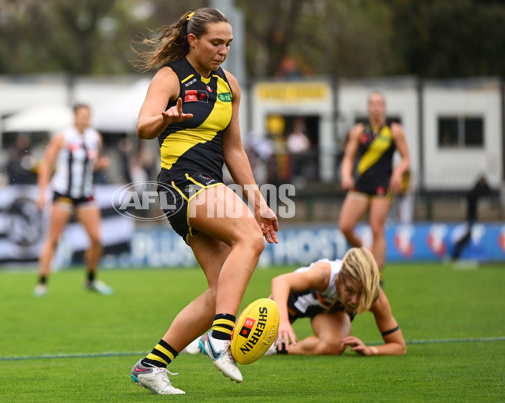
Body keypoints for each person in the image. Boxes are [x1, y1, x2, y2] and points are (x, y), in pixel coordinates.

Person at [129, 8, 279, 395]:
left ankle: (152, 365)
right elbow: (143, 126)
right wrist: (165, 118)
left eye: (228, 44)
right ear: (193, 40)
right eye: (216, 43)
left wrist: (259, 201)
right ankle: (221, 337)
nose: (223, 50)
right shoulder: (170, 77)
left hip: (205, 185)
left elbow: (235, 151)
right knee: (251, 239)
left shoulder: (230, 85)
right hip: (183, 184)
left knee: (220, 289)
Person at [33, 104, 113, 297]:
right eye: (81, 116)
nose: (84, 119)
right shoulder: (63, 137)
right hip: (63, 193)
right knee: (53, 238)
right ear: (74, 117)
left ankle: (91, 279)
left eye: (87, 116)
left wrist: (101, 164)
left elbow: (90, 164)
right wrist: (42, 193)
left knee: (96, 239)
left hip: (85, 193)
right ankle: (42, 282)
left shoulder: (95, 138)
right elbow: (46, 165)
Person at [267, 247, 406, 356]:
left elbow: (399, 346)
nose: (355, 301)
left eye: (361, 293)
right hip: (293, 298)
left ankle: (279, 349)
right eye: (349, 291)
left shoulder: (373, 296)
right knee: (250, 337)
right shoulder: (323, 274)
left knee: (335, 345)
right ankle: (270, 341)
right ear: (339, 280)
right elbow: (280, 281)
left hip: (329, 311)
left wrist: (370, 350)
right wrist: (283, 322)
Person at [338, 91, 410, 284]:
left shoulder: (394, 130)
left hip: (382, 185)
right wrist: (346, 175)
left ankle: (378, 274)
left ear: (384, 107)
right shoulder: (359, 130)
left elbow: (406, 159)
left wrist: (397, 174)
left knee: (377, 228)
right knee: (345, 226)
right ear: (368, 107)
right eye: (372, 103)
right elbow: (348, 157)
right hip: (361, 184)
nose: (376, 107)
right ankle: (367, 253)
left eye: (379, 103)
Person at [451, 175, 491, 261]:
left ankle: (457, 253)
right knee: (467, 236)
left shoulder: (473, 191)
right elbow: (487, 191)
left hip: (471, 218)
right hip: (471, 218)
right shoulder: (475, 192)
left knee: (468, 236)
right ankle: (457, 253)